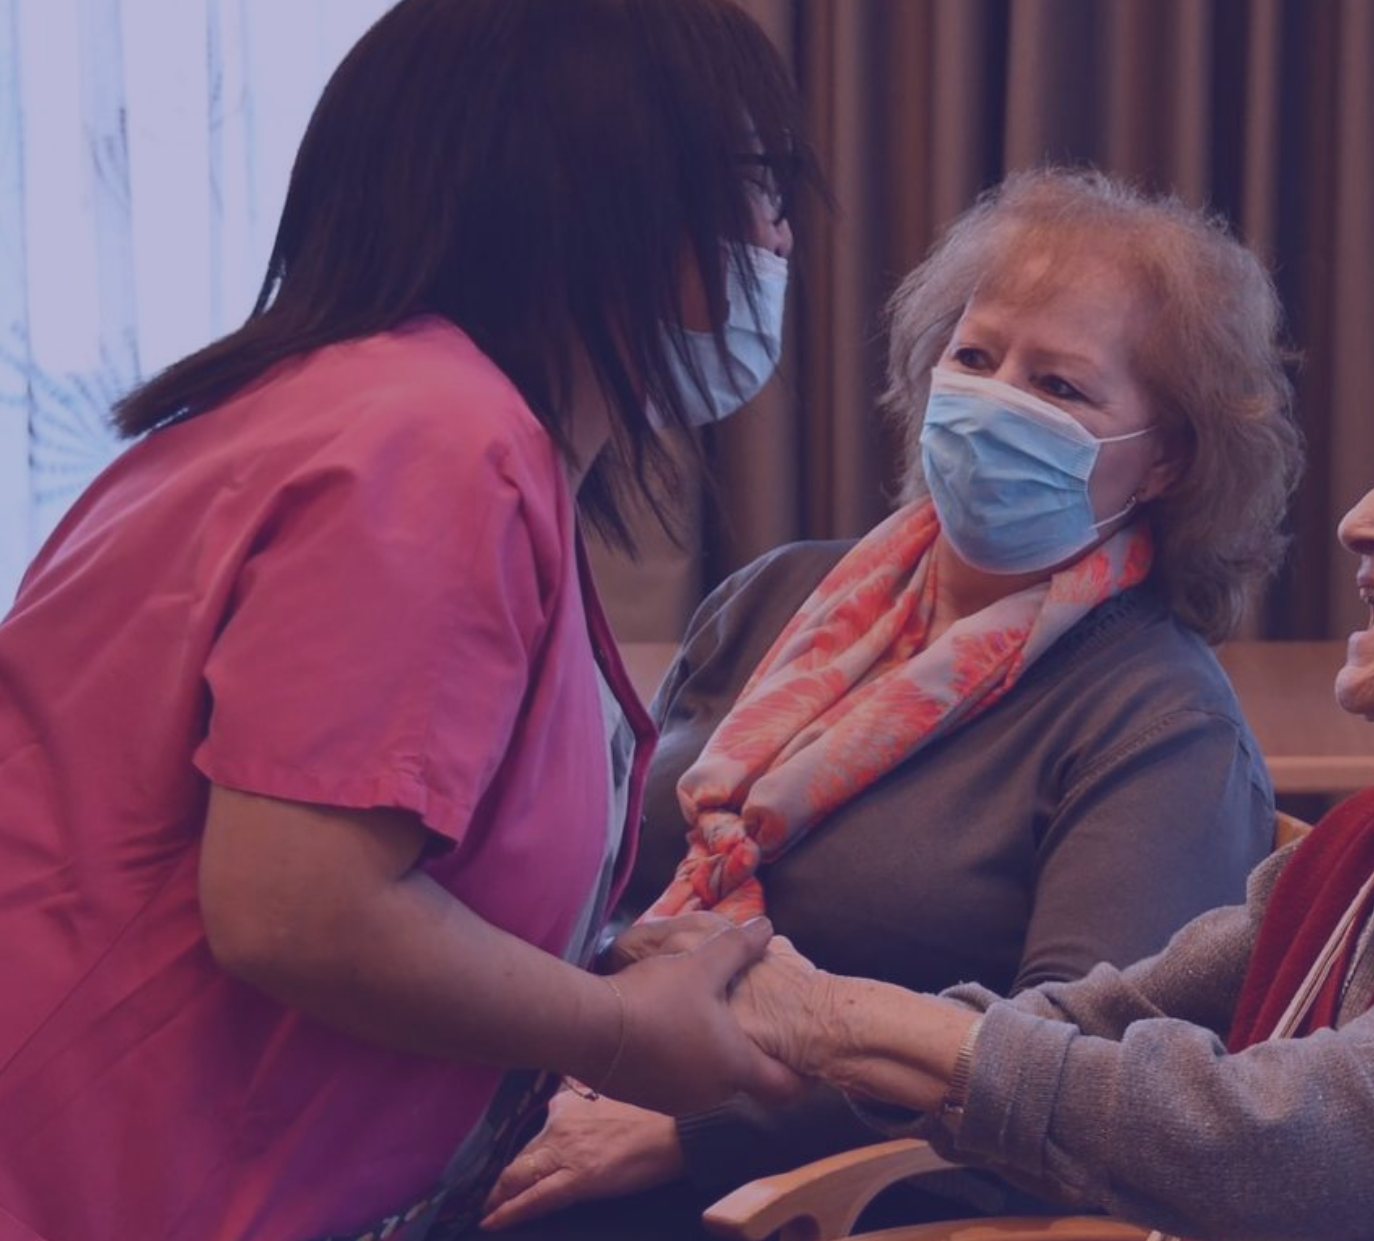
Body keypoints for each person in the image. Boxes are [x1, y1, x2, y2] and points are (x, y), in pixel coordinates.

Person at [0, 1, 825, 1238]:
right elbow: (297, 905)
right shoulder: (435, 440)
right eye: (759, 186)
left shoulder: (334, 407)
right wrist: (615, 1032)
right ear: (613, 195)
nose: (778, 236)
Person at [480, 168, 1304, 1237]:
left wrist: (693, 1133)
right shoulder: (778, 591)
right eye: (975, 357)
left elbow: (1073, 1074)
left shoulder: (1159, 719)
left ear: (1164, 463)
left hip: (811, 1192)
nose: (996, 396)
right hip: (582, 1067)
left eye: (1060, 386)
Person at [728, 295, 1374, 1241]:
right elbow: (1102, 1021)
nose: (1361, 520)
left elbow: (1304, 1146)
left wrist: (833, 1019)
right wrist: (793, 1021)